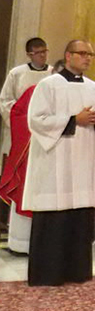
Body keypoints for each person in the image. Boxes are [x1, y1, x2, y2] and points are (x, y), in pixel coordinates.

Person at [23, 40, 95, 286]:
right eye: (82, 53)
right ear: (68, 55)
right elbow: (36, 119)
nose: (87, 58)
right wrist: (73, 120)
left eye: (90, 54)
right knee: (54, 216)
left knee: (80, 215)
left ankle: (77, 271)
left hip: (83, 160)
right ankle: (48, 274)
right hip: (55, 161)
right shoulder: (48, 85)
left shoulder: (93, 87)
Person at [0, 84, 37, 254]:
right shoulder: (34, 90)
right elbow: (16, 114)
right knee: (24, 192)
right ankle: (20, 244)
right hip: (30, 152)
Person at [1, 37, 51, 159]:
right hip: (21, 124)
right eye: (38, 52)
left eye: (44, 51)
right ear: (29, 55)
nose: (42, 55)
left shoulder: (53, 73)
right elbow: (5, 100)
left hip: (45, 126)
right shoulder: (17, 73)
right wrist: (20, 118)